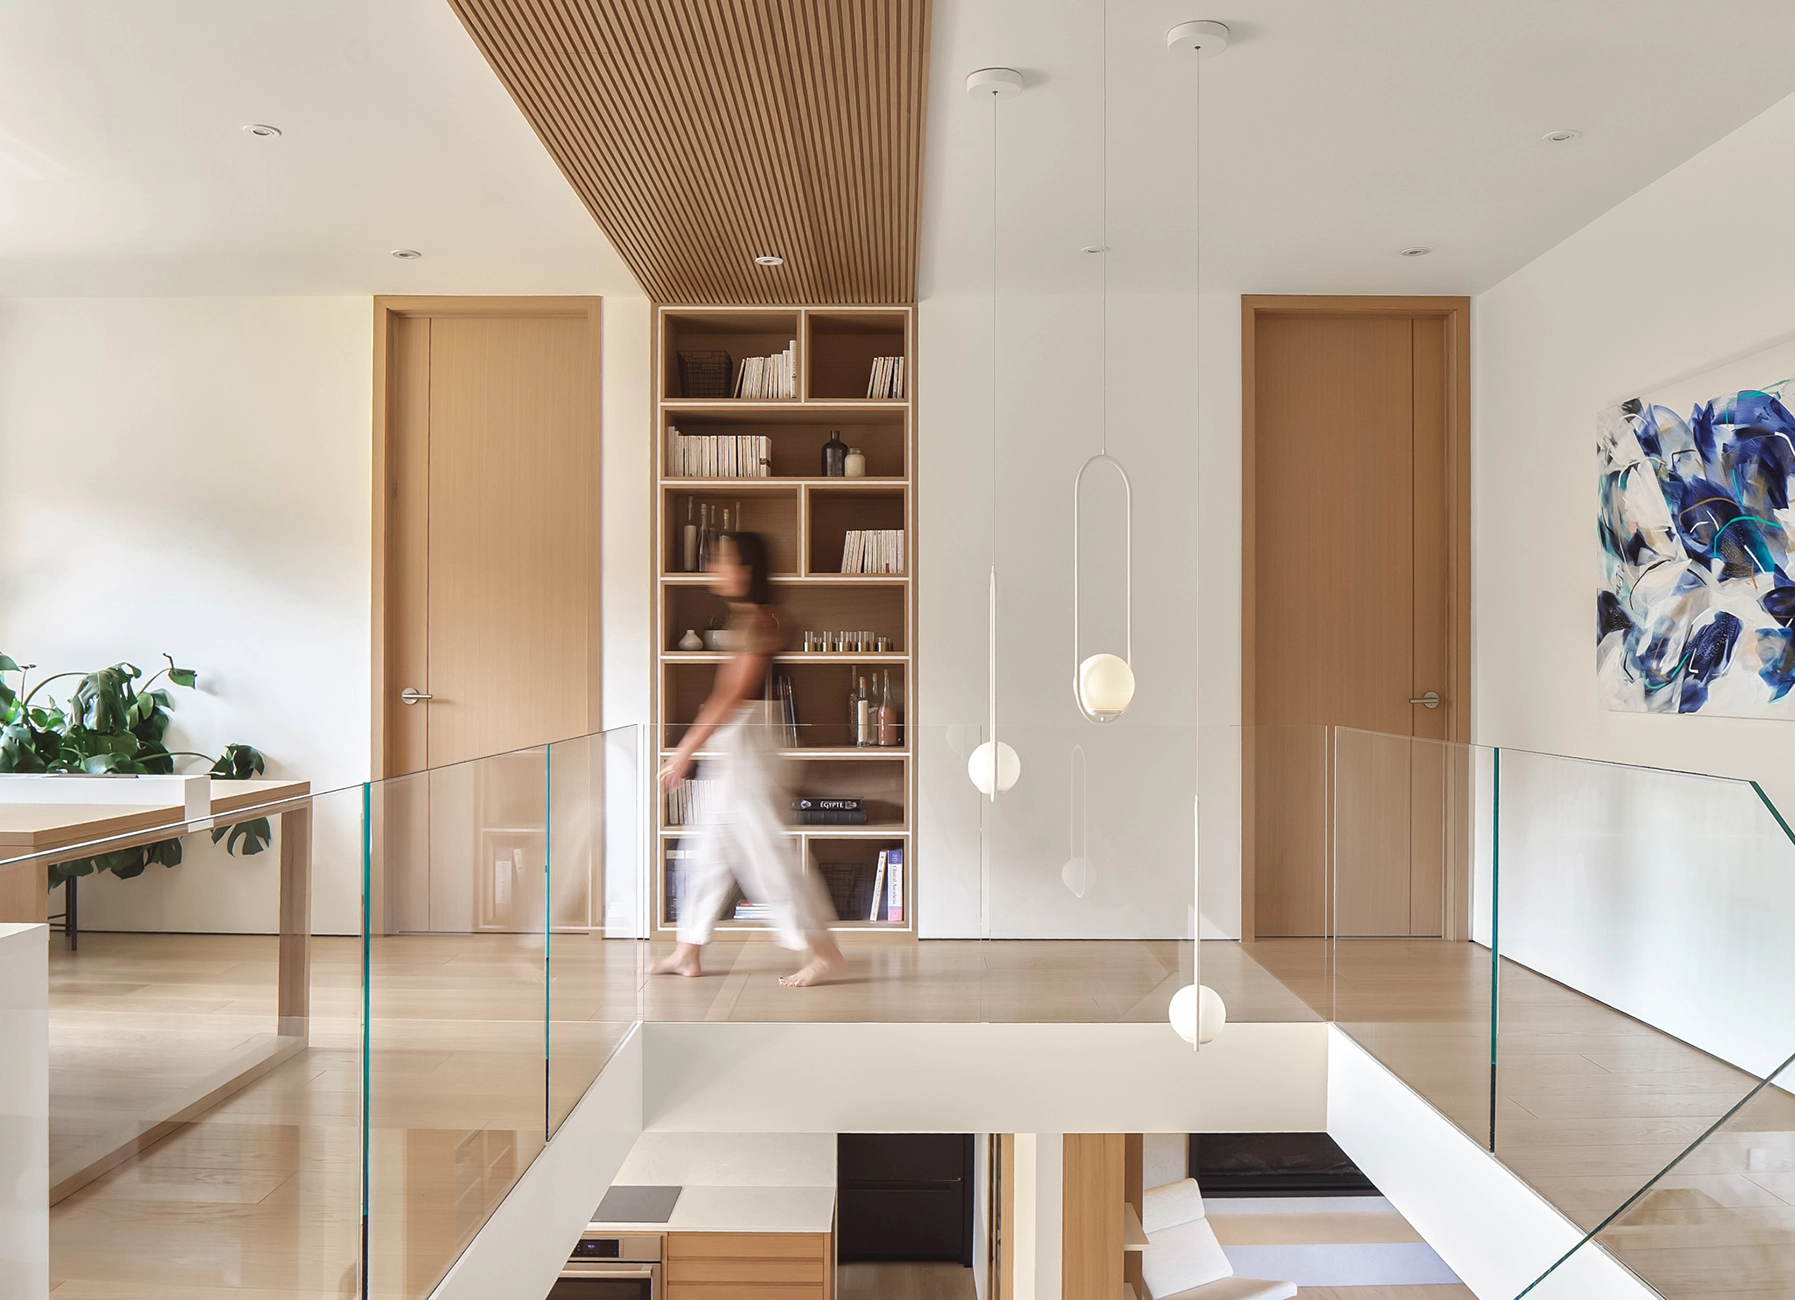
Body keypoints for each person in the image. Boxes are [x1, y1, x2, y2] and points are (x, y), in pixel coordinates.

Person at [653, 530, 845, 987]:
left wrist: (686, 749)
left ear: (747, 569)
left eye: (721, 559)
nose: (712, 567)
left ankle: (826, 953)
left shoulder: (763, 620)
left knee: (767, 857)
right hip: (736, 747)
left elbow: (732, 695)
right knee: (705, 851)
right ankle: (687, 951)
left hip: (750, 753)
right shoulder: (747, 618)